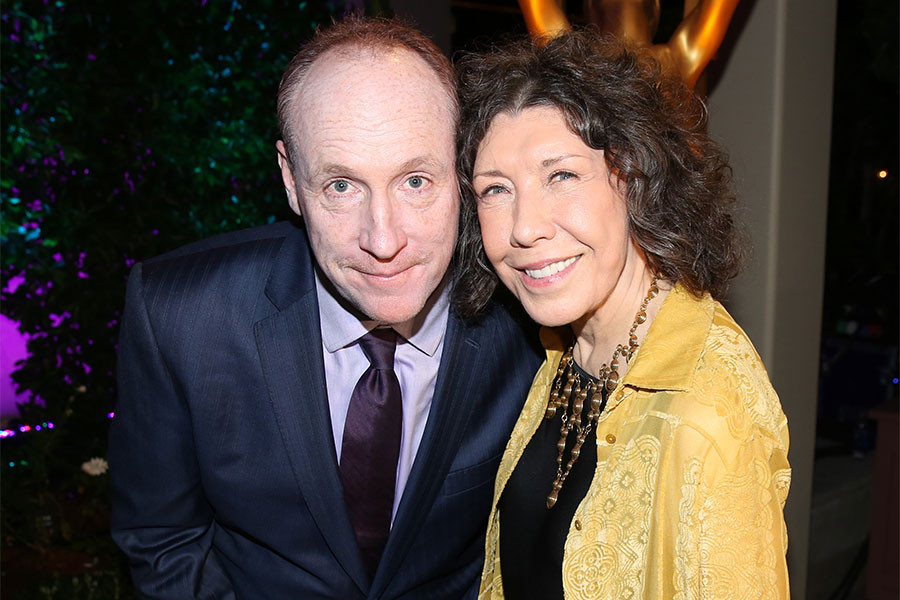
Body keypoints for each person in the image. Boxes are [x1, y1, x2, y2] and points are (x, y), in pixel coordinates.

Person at [109, 17, 542, 599]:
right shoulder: (181, 317)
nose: (383, 240)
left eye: (415, 181)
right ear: (290, 179)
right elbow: (162, 538)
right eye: (341, 186)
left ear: (463, 168)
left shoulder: (530, 317)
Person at [455, 31, 791, 599]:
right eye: (495, 190)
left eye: (561, 176)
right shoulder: (566, 352)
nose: (524, 227)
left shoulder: (708, 410)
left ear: (633, 177)